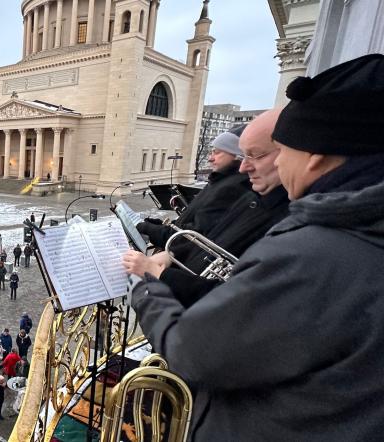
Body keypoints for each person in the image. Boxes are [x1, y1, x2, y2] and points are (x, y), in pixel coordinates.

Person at [128, 54, 384, 440]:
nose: (279, 165)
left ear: (314, 156)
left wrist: (147, 285)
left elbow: (193, 351)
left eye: (284, 150)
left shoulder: (314, 250)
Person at [124, 109, 290, 308]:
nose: (245, 168)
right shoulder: (252, 195)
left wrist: (159, 273)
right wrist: (171, 255)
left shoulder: (240, 190)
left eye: (254, 155)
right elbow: (208, 240)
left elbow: (233, 299)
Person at [137, 126, 251, 248]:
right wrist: (161, 226)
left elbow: (193, 237)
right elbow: (189, 223)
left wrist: (149, 229)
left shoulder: (230, 189)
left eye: (217, 152)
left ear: (237, 155)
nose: (210, 158)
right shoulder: (220, 181)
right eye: (211, 152)